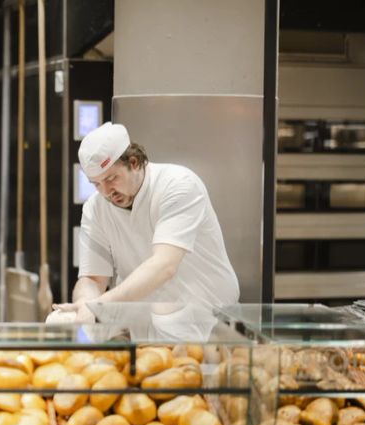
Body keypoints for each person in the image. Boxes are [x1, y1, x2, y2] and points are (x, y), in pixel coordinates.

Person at [51, 122, 239, 323]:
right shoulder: (95, 209)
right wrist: (85, 303)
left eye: (112, 178)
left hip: (209, 319)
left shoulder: (178, 185)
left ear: (134, 162)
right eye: (96, 184)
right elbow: (93, 278)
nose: (106, 192)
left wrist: (102, 305)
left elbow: (164, 265)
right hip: (147, 323)